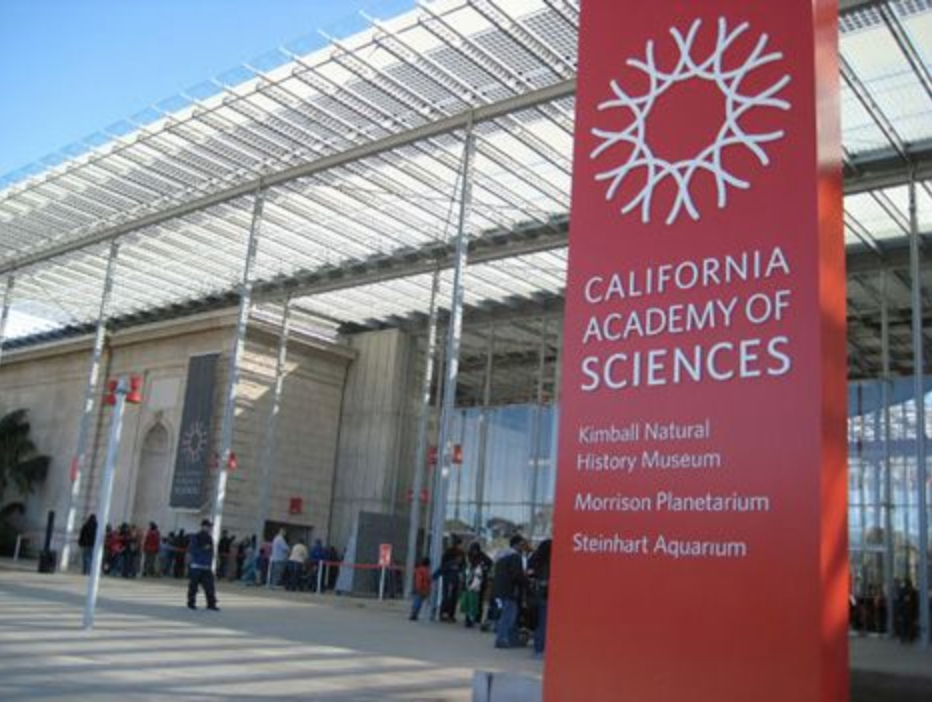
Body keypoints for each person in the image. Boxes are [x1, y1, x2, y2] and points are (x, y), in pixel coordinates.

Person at [492, 534, 528, 649]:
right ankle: (501, 639)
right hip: (510, 590)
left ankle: (511, 639)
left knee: (508, 615)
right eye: (522, 545)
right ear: (516, 545)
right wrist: (526, 579)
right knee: (508, 616)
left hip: (499, 590)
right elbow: (516, 575)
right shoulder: (515, 557)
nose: (523, 547)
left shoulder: (501, 556)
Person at [187, 519, 219, 611]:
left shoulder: (209, 538)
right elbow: (192, 550)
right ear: (203, 526)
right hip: (196, 566)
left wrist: (211, 563)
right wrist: (202, 548)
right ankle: (191, 603)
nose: (210, 528)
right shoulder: (196, 537)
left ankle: (211, 604)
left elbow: (211, 552)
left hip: (206, 567)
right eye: (208, 526)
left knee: (210, 586)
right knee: (193, 586)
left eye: (210, 527)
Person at [527, 539, 551, 656]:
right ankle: (540, 649)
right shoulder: (548, 562)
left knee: (538, 622)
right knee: (544, 622)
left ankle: (537, 648)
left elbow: (529, 573)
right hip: (545, 594)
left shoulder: (534, 558)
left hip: (534, 593)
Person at [438, 536, 465, 622]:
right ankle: (445, 614)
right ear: (457, 544)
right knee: (448, 596)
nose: (461, 546)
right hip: (448, 578)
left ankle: (449, 615)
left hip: (454, 578)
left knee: (453, 597)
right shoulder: (450, 552)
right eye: (460, 544)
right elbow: (443, 565)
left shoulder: (461, 553)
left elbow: (463, 565)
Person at [410, 557, 432, 621]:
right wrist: (428, 590)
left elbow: (418, 580)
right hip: (424, 589)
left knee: (417, 602)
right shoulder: (427, 571)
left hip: (420, 589)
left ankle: (414, 614)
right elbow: (428, 580)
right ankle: (415, 614)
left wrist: (418, 588)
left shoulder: (420, 570)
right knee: (419, 602)